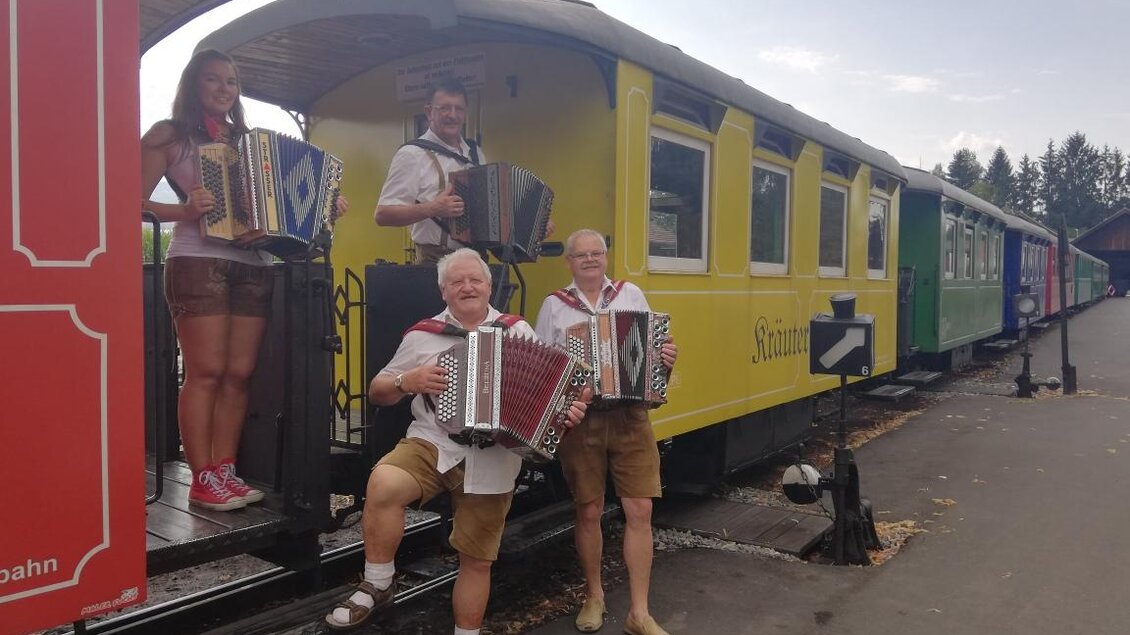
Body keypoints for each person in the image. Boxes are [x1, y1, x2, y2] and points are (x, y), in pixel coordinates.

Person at [325, 248, 589, 634]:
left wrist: (567, 415)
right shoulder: (422, 335)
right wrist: (406, 381)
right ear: (443, 291)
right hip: (435, 442)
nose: (467, 287)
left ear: (487, 286)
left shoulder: (517, 331)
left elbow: (555, 399)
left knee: (476, 560)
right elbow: (377, 390)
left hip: (495, 457)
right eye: (457, 282)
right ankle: (378, 583)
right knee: (383, 482)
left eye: (475, 280)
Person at [141, 49, 347, 511]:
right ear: (193, 84)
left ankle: (224, 470)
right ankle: (200, 478)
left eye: (231, 82)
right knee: (206, 372)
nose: (223, 89)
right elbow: (129, 202)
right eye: (213, 80)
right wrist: (185, 211)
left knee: (238, 375)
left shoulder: (254, 142)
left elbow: (288, 206)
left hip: (254, 264)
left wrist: (324, 205)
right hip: (198, 259)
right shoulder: (169, 135)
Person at [534, 229, 678, 635]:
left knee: (641, 510)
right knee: (589, 509)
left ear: (606, 257)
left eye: (597, 253)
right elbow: (544, 366)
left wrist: (667, 358)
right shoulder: (554, 306)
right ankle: (594, 595)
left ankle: (639, 612)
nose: (590, 260)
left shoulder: (630, 295)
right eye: (581, 255)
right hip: (584, 422)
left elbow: (654, 356)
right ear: (569, 262)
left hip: (632, 416)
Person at [374, 77, 552, 264]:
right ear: (429, 112)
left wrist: (535, 226)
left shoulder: (475, 153)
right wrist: (433, 208)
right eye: (444, 108)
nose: (452, 115)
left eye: (459, 108)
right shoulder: (412, 154)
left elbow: (494, 213)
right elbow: (383, 214)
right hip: (435, 260)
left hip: (477, 260)